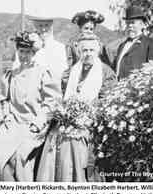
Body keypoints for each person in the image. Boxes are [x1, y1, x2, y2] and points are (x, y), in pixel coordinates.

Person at [36, 33, 116, 182]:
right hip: (70, 118)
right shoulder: (72, 72)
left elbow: (106, 103)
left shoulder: (105, 73)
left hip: (93, 121)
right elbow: (65, 98)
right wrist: (66, 114)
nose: (88, 54)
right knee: (54, 136)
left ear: (97, 51)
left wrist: (85, 117)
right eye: (84, 50)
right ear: (79, 52)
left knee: (72, 141)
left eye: (91, 50)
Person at [0, 32, 59, 181]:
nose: (24, 56)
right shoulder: (11, 75)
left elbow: (51, 103)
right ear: (17, 51)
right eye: (21, 51)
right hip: (12, 124)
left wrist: (37, 124)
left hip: (33, 126)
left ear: (34, 53)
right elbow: (5, 100)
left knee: (20, 155)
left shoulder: (43, 73)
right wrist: (7, 116)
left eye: (28, 52)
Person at [61, 10, 113, 94]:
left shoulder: (100, 44)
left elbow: (106, 63)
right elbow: (69, 64)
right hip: (77, 76)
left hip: (96, 76)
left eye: (91, 29)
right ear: (80, 28)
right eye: (86, 28)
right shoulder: (72, 45)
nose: (89, 31)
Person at [114, 5, 153, 80]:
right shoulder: (122, 46)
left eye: (133, 22)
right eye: (128, 23)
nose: (130, 26)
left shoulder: (150, 43)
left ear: (142, 25)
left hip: (137, 88)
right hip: (118, 87)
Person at [30, 15, 68, 89]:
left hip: (53, 90)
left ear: (51, 27)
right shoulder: (29, 48)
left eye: (46, 25)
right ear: (35, 27)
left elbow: (63, 72)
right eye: (40, 26)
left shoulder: (60, 48)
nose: (43, 29)